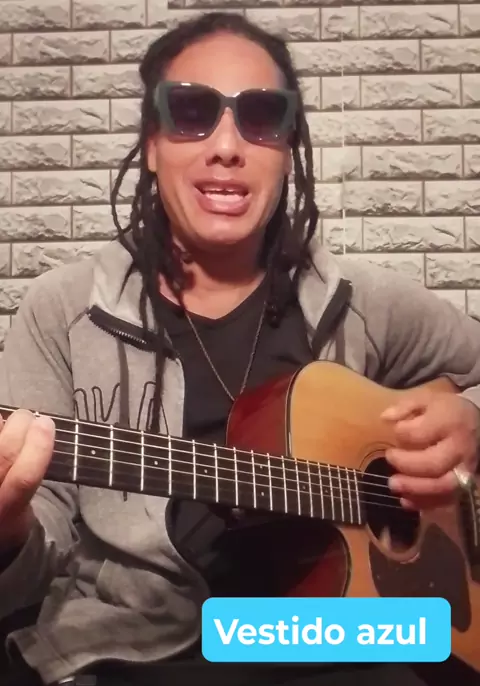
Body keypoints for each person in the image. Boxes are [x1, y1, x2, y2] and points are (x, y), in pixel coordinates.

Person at [0, 10, 480, 686]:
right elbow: (30, 564)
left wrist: (472, 422)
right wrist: (9, 531)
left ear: (288, 150)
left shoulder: (365, 302)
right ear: (151, 144)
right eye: (191, 112)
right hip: (134, 650)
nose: (227, 146)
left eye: (261, 117)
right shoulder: (62, 310)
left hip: (332, 640)